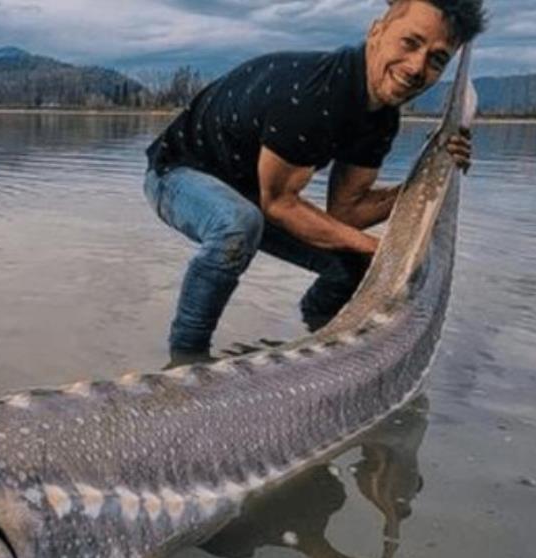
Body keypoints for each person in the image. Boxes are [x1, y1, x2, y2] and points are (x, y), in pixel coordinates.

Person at [144, 0, 485, 364]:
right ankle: (185, 361)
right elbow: (278, 204)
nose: (417, 67)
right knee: (237, 226)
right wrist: (381, 250)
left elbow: (348, 212)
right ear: (377, 31)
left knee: (350, 264)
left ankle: (315, 343)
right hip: (178, 174)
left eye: (437, 60)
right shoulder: (311, 94)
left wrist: (432, 180)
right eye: (410, 42)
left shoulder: (381, 119)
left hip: (253, 193)